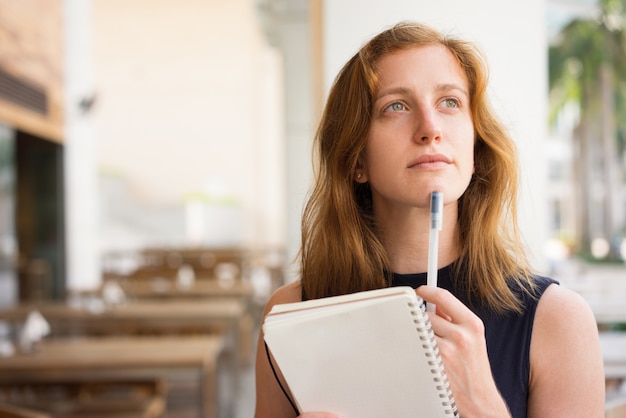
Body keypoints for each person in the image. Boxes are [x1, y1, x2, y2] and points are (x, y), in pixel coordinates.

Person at [254, 21, 605, 418]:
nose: (430, 129)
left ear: (475, 144)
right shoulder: (290, 317)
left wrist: (483, 406)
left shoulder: (557, 321)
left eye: (450, 102)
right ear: (356, 160)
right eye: (396, 106)